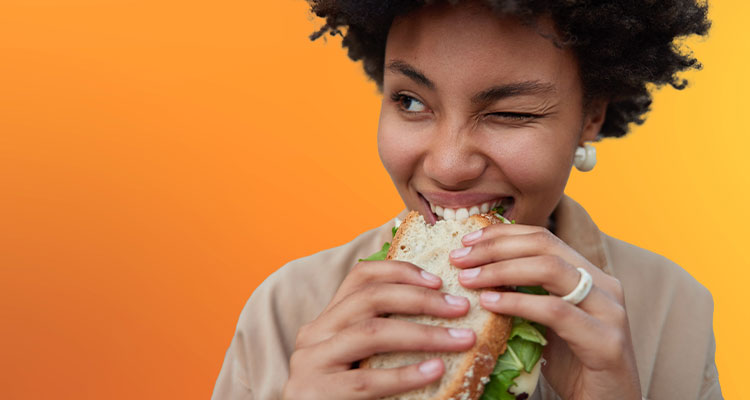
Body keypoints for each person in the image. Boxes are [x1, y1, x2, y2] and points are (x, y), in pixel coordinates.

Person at [212, 0, 721, 399]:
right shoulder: (287, 310)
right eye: (410, 102)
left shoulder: (676, 313)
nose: (447, 166)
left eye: (511, 114)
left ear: (591, 115)